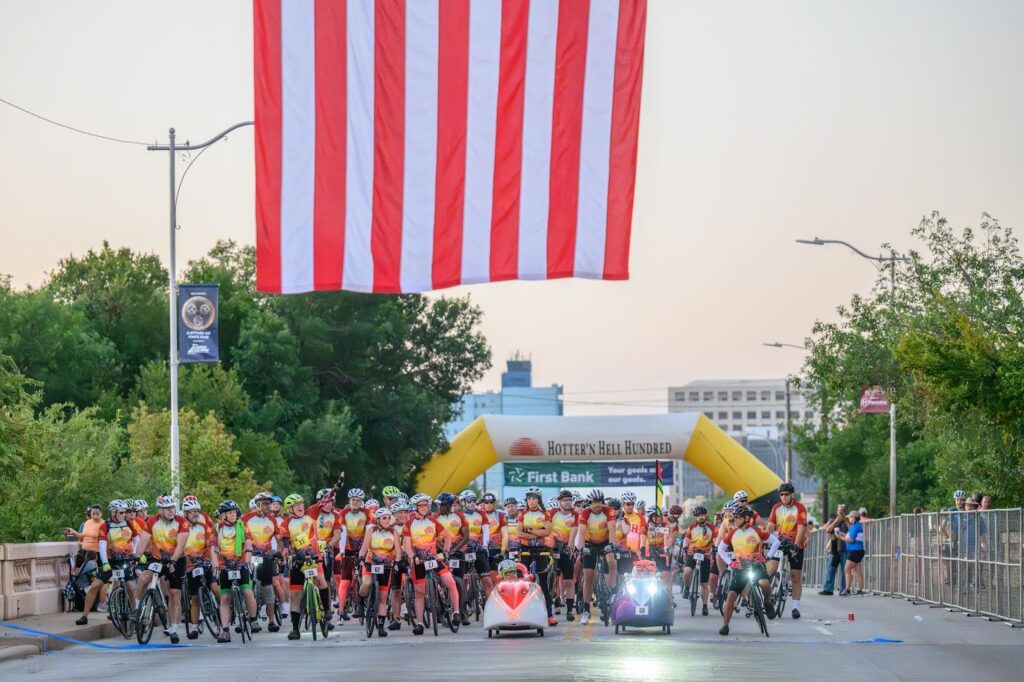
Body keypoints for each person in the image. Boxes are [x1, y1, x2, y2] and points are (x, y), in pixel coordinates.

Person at [717, 506, 779, 636]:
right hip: (740, 568)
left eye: (738, 517)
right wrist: (731, 563)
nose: (735, 520)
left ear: (746, 518)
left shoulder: (757, 531)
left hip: (757, 566)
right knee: (731, 595)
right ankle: (725, 625)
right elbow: (720, 549)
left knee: (764, 584)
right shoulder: (732, 533)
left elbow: (776, 542)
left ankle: (767, 602)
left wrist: (767, 557)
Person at [402, 493, 458, 635]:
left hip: (433, 559)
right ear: (415, 507)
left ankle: (456, 612)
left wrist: (445, 551)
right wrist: (412, 556)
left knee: (450, 581)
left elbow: (447, 537)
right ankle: (420, 623)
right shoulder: (408, 524)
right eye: (421, 505)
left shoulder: (433, 521)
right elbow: (407, 546)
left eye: (426, 505)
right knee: (420, 593)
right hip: (419, 561)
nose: (424, 507)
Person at [279, 492, 332, 641]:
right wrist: (286, 552)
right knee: (295, 596)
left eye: (301, 504)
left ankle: (327, 609)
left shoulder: (311, 514)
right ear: (289, 509)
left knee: (321, 581)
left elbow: (325, 499)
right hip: (297, 560)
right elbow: (286, 541)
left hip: (314, 556)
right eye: (296, 505)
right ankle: (295, 629)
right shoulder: (285, 523)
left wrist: (336, 486)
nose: (300, 506)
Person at [212, 499, 260, 642]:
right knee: (225, 598)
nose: (233, 515)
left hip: (241, 562)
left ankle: (253, 620)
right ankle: (225, 631)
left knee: (247, 591)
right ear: (223, 516)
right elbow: (213, 549)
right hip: (224, 565)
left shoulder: (242, 526)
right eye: (229, 513)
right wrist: (215, 565)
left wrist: (247, 559)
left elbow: (249, 544)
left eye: (234, 512)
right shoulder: (216, 529)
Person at [241, 491, 287, 625]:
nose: (270, 506)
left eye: (270, 504)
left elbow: (279, 540)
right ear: (259, 504)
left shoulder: (272, 520)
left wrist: (278, 553)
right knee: (250, 586)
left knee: (268, 588)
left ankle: (272, 621)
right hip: (251, 556)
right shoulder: (246, 519)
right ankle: (249, 619)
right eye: (267, 504)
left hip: (267, 557)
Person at [766, 482, 808, 619]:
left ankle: (795, 607)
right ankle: (768, 597)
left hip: (795, 544)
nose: (783, 497)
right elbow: (770, 526)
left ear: (792, 495)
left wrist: (796, 544)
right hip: (780, 542)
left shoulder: (800, 508)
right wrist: (764, 539)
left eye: (786, 495)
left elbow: (801, 528)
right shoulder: (776, 507)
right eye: (781, 495)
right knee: (769, 570)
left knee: (795, 576)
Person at [358, 506, 401, 637]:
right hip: (370, 562)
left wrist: (397, 562)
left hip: (386, 566)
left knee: (383, 597)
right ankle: (361, 600)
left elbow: (398, 551)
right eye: (384, 518)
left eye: (389, 517)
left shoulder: (394, 533)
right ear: (378, 520)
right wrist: (360, 558)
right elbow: (364, 547)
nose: (388, 520)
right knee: (366, 583)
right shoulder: (371, 530)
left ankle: (381, 626)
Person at [517, 487, 558, 627]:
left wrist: (529, 531)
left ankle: (549, 614)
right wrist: (538, 533)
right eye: (529, 498)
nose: (531, 501)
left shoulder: (545, 513)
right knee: (522, 580)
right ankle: (521, 612)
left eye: (534, 498)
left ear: (539, 499)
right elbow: (519, 534)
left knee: (544, 582)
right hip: (525, 550)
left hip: (542, 550)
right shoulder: (522, 513)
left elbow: (547, 531)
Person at [576, 489, 617, 625]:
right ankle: (586, 610)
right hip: (590, 544)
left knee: (611, 561)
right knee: (588, 576)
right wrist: (582, 548)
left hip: (605, 543)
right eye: (594, 502)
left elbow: (612, 529)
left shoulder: (608, 511)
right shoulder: (585, 513)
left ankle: (612, 591)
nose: (597, 505)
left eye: (599, 502)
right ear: (590, 502)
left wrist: (611, 545)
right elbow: (581, 532)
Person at [181, 496, 219, 638]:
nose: (195, 514)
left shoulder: (204, 527)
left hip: (204, 561)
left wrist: (212, 560)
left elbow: (211, 545)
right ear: (185, 514)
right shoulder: (181, 528)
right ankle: (195, 627)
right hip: (190, 565)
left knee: (215, 588)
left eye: (197, 511)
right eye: (191, 512)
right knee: (194, 598)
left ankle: (224, 610)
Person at [336, 488, 370, 622]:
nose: (355, 503)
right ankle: (341, 610)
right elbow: (342, 533)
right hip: (348, 548)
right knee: (345, 581)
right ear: (349, 501)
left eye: (358, 500)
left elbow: (369, 532)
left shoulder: (367, 513)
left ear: (362, 502)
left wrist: (366, 550)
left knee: (363, 578)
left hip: (362, 548)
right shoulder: (343, 513)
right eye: (353, 500)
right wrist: (342, 551)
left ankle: (362, 604)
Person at [549, 490, 579, 621]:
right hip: (553, 547)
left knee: (568, 580)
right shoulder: (552, 513)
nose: (568, 502)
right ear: (559, 502)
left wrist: (570, 547)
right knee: (550, 576)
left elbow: (574, 533)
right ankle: (550, 604)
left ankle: (569, 610)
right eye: (565, 500)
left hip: (566, 548)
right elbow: (547, 529)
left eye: (569, 500)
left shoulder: (575, 515)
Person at [681, 505, 716, 615]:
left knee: (704, 583)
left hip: (705, 555)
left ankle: (705, 606)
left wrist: (714, 549)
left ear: (706, 516)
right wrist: (685, 547)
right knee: (687, 571)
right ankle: (686, 588)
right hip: (693, 553)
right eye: (698, 516)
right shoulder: (691, 527)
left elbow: (715, 540)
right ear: (695, 517)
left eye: (702, 515)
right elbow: (686, 540)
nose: (700, 517)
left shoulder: (713, 528)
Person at [819, 504, 848, 596]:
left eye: (843, 510)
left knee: (845, 570)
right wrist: (837, 520)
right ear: (837, 511)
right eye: (839, 510)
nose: (841, 512)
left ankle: (843, 590)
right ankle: (828, 589)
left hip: (845, 548)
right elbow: (828, 530)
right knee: (830, 569)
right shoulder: (833, 520)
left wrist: (845, 519)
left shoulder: (848, 520)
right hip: (834, 549)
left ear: (846, 511)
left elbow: (852, 529)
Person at [837, 510, 865, 595]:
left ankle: (847, 589)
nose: (849, 518)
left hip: (854, 551)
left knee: (847, 569)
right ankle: (859, 590)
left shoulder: (854, 527)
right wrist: (843, 535)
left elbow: (851, 540)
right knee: (857, 570)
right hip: (858, 551)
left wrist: (840, 537)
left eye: (850, 517)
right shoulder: (856, 526)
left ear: (853, 518)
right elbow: (850, 534)